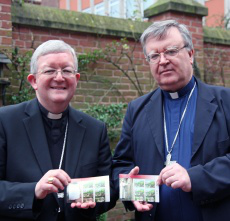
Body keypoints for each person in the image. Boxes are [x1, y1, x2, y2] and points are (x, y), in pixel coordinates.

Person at [112, 20, 230, 221]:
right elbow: (120, 164)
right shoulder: (137, 109)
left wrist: (195, 178)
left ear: (191, 54)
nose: (163, 60)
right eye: (154, 55)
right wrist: (132, 191)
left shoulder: (225, 101)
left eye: (171, 51)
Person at [0, 40, 116, 221]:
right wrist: (34, 191)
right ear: (34, 81)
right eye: (50, 70)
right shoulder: (5, 121)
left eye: (67, 70)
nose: (60, 77)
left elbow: (109, 188)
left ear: (76, 79)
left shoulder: (95, 129)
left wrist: (91, 203)